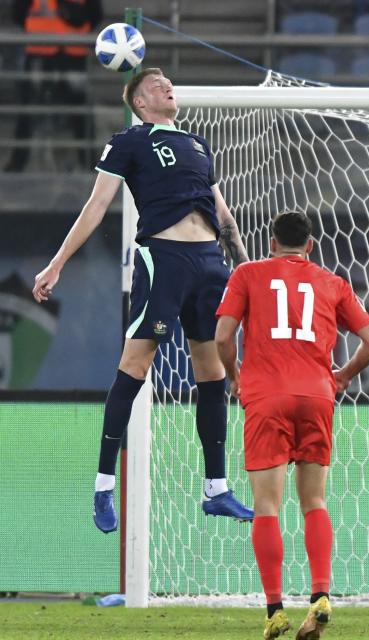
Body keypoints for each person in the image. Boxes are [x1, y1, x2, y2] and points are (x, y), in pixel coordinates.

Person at [32, 68, 253, 533]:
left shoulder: (198, 144)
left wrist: (247, 270)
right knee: (135, 365)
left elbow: (222, 211)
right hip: (164, 259)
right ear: (139, 104)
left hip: (210, 262)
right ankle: (103, 486)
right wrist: (56, 264)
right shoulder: (129, 141)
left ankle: (217, 488)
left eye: (169, 82)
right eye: (155, 86)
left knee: (211, 372)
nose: (167, 87)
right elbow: (96, 206)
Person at [215, 210, 369, 640]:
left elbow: (221, 337)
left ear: (272, 242)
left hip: (266, 396)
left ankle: (274, 609)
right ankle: (321, 595)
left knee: (267, 506)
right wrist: (342, 376)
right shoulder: (332, 282)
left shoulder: (248, 273)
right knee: (315, 502)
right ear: (310, 245)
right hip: (316, 396)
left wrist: (234, 374)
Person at [8, 0, 102, 172]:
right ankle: (18, 162)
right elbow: (17, 12)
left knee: (79, 112)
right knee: (28, 110)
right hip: (40, 50)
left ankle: (89, 163)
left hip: (72, 52)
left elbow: (95, 15)